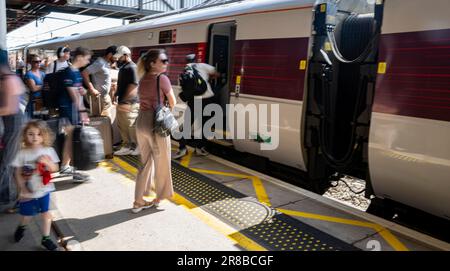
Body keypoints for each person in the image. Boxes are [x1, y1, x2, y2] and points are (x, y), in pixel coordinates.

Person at [132, 49, 176, 213]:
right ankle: (159, 198)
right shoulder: (162, 79)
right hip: (156, 123)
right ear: (152, 64)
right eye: (163, 61)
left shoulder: (142, 79)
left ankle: (138, 201)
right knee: (162, 161)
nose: (166, 63)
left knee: (145, 163)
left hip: (141, 121)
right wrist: (166, 114)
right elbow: (172, 101)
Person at [11, 120, 59, 251]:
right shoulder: (22, 153)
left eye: (39, 134)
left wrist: (48, 163)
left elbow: (55, 168)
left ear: (44, 136)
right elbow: (17, 173)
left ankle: (46, 238)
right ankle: (22, 227)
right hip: (28, 191)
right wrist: (22, 189)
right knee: (27, 215)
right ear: (25, 135)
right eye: (31, 134)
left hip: (45, 190)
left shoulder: (49, 151)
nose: (35, 137)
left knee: (46, 214)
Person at [173, 54, 219, 159]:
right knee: (206, 124)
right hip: (207, 99)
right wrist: (208, 79)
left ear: (186, 61)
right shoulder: (202, 66)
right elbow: (216, 73)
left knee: (187, 124)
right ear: (196, 60)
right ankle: (199, 148)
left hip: (193, 101)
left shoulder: (184, 72)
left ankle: (182, 149)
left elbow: (183, 89)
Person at [58, 47, 92, 183]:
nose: (88, 61)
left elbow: (78, 91)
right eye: (87, 58)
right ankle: (74, 170)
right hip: (68, 111)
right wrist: (83, 112)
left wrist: (82, 90)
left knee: (71, 138)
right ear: (79, 57)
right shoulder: (69, 72)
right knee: (73, 139)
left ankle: (66, 166)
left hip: (73, 110)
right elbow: (74, 96)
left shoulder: (76, 72)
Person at [0, 53, 26, 208]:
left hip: (14, 126)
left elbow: (10, 108)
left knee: (7, 162)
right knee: (7, 162)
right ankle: (8, 197)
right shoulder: (5, 79)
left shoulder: (10, 80)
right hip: (8, 126)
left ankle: (9, 199)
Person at [113, 46, 140, 156]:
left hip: (130, 103)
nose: (117, 59)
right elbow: (123, 84)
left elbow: (134, 86)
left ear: (125, 55)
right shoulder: (124, 67)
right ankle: (127, 145)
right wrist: (116, 94)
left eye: (120, 57)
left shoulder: (132, 67)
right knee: (123, 125)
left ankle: (137, 145)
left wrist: (126, 101)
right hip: (123, 101)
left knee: (131, 125)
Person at [82, 46, 117, 117]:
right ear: (110, 54)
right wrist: (92, 89)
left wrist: (111, 83)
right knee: (99, 120)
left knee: (105, 120)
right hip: (98, 97)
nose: (117, 59)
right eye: (115, 57)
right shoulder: (100, 63)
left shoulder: (106, 63)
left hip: (105, 97)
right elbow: (84, 73)